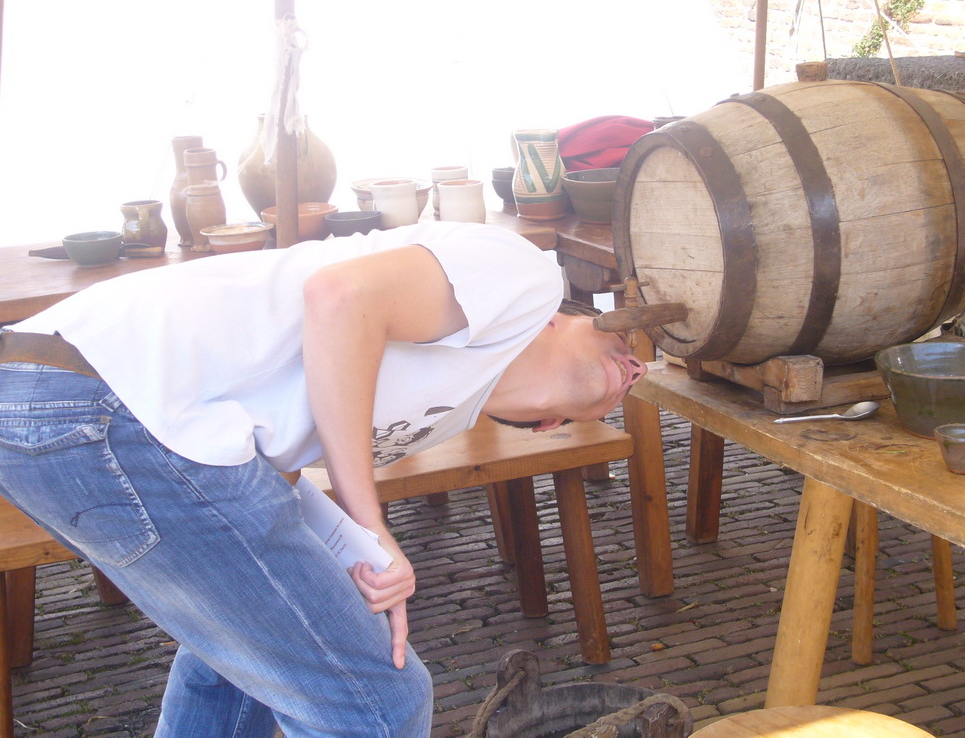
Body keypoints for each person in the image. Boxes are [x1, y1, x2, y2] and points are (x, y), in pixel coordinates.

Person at [0, 221, 647, 738]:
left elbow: (271, 451)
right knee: (378, 705)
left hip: (66, 407)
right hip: (102, 395)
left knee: (243, 666)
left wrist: (339, 552)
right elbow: (339, 296)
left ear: (553, 423)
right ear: (567, 318)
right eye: (623, 341)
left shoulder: (451, 405)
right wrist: (372, 526)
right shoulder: (526, 276)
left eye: (636, 370)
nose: (637, 362)